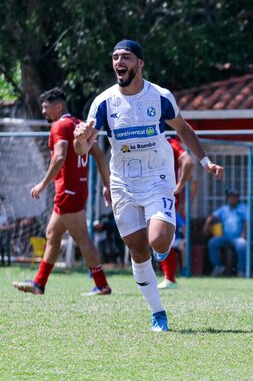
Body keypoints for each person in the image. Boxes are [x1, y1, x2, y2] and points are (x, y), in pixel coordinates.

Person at [73, 40, 223, 331]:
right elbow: (82, 149)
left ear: (139, 63)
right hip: (123, 183)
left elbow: (183, 128)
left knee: (158, 240)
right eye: (115, 57)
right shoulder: (104, 102)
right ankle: (158, 312)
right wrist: (81, 138)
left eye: (126, 57)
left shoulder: (160, 96)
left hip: (157, 178)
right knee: (139, 251)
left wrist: (206, 162)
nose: (119, 62)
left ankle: (164, 249)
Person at [12, 87, 113, 296]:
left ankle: (102, 284)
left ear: (58, 107)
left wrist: (43, 183)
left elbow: (59, 157)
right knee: (52, 233)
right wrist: (106, 184)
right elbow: (100, 156)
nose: (43, 112)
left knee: (82, 238)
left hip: (68, 191)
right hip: (77, 190)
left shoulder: (60, 125)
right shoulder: (79, 125)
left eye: (46, 107)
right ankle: (39, 284)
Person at [157, 136, 195, 290]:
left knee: (161, 236)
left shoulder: (170, 143)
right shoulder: (146, 139)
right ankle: (164, 276)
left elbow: (189, 162)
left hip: (166, 194)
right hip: (148, 193)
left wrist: (179, 186)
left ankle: (170, 277)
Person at [203, 189, 248, 277]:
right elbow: (212, 216)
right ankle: (218, 266)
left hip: (237, 238)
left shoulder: (243, 208)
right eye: (230, 197)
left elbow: (247, 222)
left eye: (234, 197)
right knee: (212, 243)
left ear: (237, 198)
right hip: (225, 236)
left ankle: (241, 270)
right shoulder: (224, 209)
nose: (232, 199)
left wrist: (244, 234)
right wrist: (206, 225)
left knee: (242, 245)